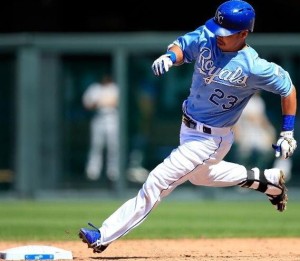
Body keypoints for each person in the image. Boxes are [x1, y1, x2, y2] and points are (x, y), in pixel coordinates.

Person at [78, 0, 297, 254]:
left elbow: (288, 88)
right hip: (188, 128)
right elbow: (182, 45)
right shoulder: (208, 36)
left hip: (211, 139)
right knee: (202, 176)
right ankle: (267, 180)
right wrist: (170, 57)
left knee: (157, 181)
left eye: (226, 34)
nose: (218, 36)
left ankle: (103, 235)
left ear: (244, 33)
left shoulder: (254, 66)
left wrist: (287, 132)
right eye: (218, 29)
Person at [82, 75, 120, 182]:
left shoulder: (115, 87)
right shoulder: (95, 88)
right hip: (98, 117)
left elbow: (115, 102)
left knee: (113, 146)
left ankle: (113, 171)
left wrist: (102, 102)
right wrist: (101, 103)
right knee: (96, 145)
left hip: (112, 117)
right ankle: (93, 171)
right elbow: (87, 103)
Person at [233, 92, 276, 170]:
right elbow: (235, 119)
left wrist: (270, 131)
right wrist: (236, 131)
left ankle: (258, 172)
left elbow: (263, 120)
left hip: (257, 132)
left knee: (266, 150)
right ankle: (242, 174)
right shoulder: (240, 99)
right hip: (244, 131)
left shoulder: (259, 101)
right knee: (244, 154)